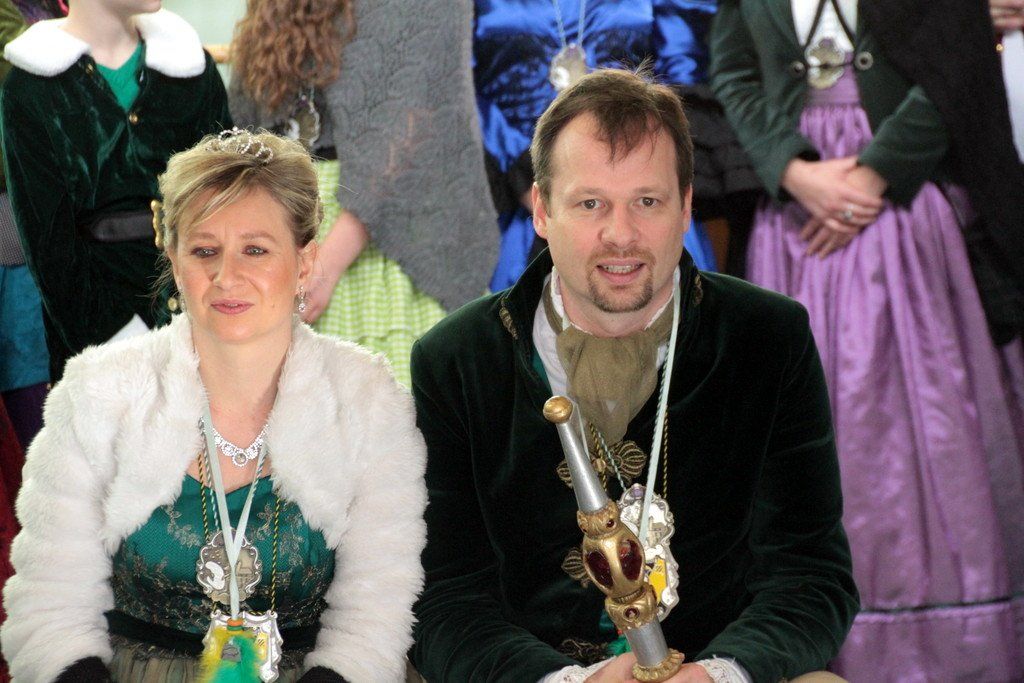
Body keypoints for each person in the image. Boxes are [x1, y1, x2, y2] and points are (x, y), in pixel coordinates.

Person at [410, 68, 858, 683]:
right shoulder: (456, 360)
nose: (620, 235)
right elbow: (446, 599)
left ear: (686, 207)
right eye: (590, 203)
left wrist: (719, 673)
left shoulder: (767, 337)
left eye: (647, 202)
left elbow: (811, 576)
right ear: (541, 210)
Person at [1, 131, 427, 682]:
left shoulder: (368, 399)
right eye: (205, 251)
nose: (227, 277)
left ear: (304, 264)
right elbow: (50, 605)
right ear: (175, 262)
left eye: (256, 250)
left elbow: (377, 610)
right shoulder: (96, 392)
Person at [710, 0, 1024, 679]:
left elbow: (957, 59)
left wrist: (875, 172)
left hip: (906, 208)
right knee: (807, 432)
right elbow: (733, 72)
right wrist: (793, 171)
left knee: (927, 428)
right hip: (794, 225)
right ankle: (820, 642)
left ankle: (948, 645)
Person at [229, 0, 497, 386]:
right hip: (286, 214)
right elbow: (248, 127)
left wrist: (327, 263)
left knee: (391, 399)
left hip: (390, 232)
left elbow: (417, 118)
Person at [1, 0, 231, 383]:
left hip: (201, 331)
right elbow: (49, 248)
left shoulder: (190, 67)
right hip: (96, 349)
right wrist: (120, 340)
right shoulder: (32, 87)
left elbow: (227, 206)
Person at [473, 0, 741, 292]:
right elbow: (458, 84)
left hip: (639, 174)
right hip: (515, 193)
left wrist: (640, 165)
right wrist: (521, 167)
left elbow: (680, 79)